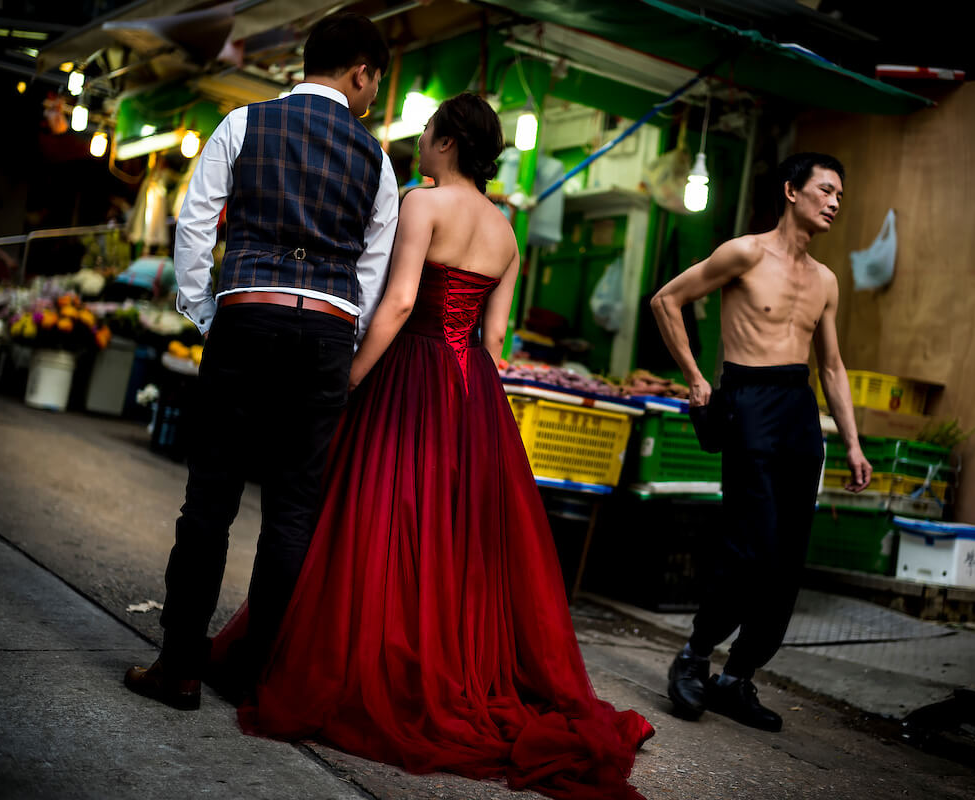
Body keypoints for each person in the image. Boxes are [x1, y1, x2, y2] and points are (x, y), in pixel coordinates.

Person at [212, 93, 654, 800]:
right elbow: (494, 341)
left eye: (427, 133)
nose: (420, 143)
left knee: (378, 520)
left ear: (447, 141)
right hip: (469, 390)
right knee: (452, 539)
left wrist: (350, 379)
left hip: (408, 370)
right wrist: (470, 395)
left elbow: (396, 301)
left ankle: (366, 657)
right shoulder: (507, 233)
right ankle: (443, 658)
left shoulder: (423, 204)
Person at [124, 11, 398, 711]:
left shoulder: (244, 124)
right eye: (376, 82)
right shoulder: (378, 161)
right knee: (293, 508)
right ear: (361, 72)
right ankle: (251, 679)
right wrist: (339, 324)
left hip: (247, 314)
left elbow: (195, 221)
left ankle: (180, 668)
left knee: (211, 496)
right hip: (328, 330)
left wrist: (205, 309)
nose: (374, 96)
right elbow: (373, 268)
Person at [650, 152, 873, 732]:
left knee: (786, 557)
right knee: (752, 544)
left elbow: (832, 367)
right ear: (791, 191)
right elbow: (666, 301)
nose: (833, 203)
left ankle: (737, 677)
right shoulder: (745, 253)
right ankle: (695, 657)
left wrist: (852, 443)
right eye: (825, 190)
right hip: (747, 402)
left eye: (839, 196)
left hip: (799, 413)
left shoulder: (825, 281)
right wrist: (698, 379)